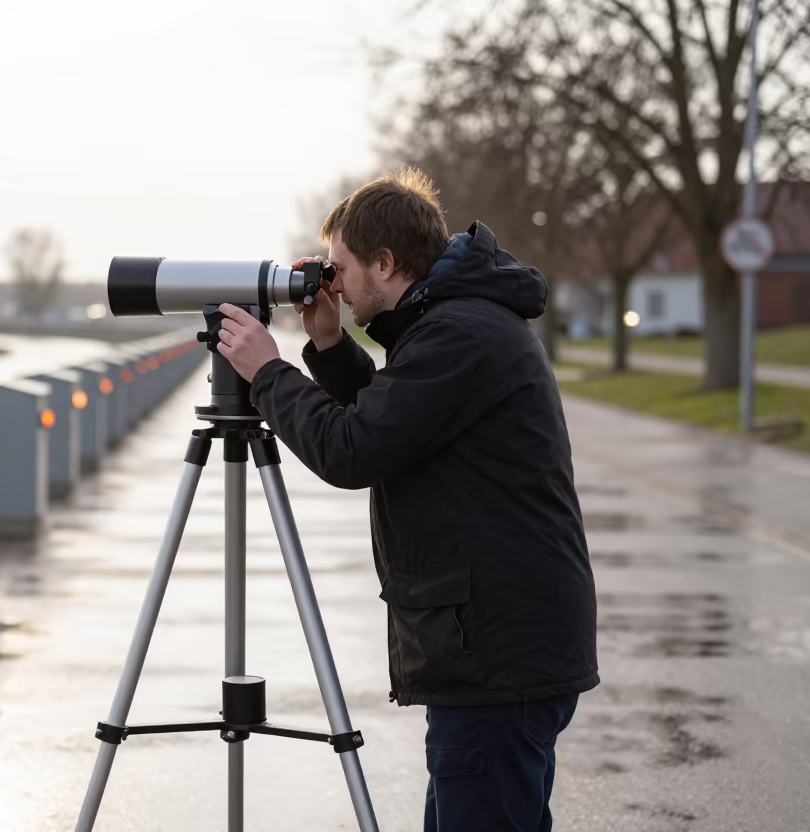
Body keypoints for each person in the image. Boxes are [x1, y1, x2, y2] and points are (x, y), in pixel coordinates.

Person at [213, 169, 598, 831]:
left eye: (338, 266)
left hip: (496, 657)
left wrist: (269, 373)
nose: (327, 279)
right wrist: (329, 345)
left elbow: (354, 448)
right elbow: (394, 423)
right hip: (499, 651)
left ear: (385, 263)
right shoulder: (455, 326)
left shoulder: (458, 336)